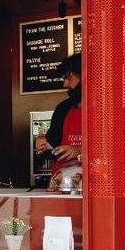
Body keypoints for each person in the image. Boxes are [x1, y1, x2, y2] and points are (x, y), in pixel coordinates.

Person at [35, 53, 83, 184]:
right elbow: (53, 148)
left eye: (69, 78)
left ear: (85, 76)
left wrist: (80, 151)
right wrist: (44, 146)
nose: (65, 84)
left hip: (93, 187)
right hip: (62, 183)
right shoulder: (63, 108)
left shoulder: (107, 109)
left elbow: (116, 151)